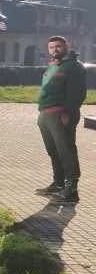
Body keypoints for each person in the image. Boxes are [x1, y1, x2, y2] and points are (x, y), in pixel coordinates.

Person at [34, 36, 86, 203]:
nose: (54, 49)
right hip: (46, 114)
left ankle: (71, 190)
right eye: (51, 47)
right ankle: (58, 185)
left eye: (58, 46)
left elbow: (77, 93)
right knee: (53, 152)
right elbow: (46, 90)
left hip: (60, 114)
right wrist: (41, 110)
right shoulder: (52, 66)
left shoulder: (74, 66)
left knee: (66, 151)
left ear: (66, 46)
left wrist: (67, 113)